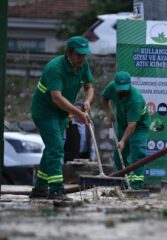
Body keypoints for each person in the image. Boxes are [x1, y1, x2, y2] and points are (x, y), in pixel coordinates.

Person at [30, 36, 94, 200]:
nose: (82, 58)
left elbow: (89, 86)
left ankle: (39, 188)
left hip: (61, 113)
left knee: (52, 148)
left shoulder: (82, 65)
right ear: (69, 53)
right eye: (79, 55)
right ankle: (56, 190)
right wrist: (78, 113)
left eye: (84, 55)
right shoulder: (55, 68)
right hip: (45, 112)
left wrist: (87, 101)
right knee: (56, 146)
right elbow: (56, 98)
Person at [102, 71, 150, 189]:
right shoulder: (112, 87)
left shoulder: (135, 99)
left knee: (137, 151)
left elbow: (132, 125)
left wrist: (123, 141)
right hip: (123, 125)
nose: (122, 91)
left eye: (125, 88)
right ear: (115, 85)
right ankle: (126, 180)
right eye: (120, 88)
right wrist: (109, 113)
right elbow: (104, 98)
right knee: (118, 154)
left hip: (139, 126)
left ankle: (137, 184)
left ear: (130, 84)